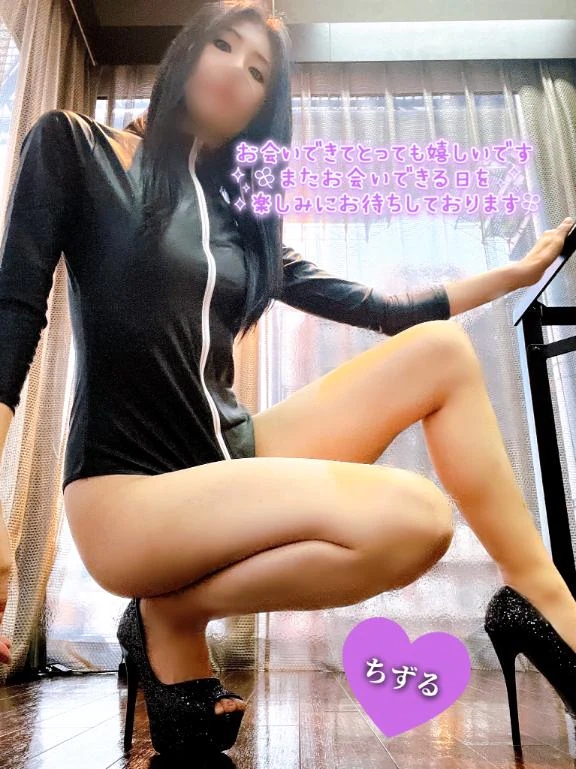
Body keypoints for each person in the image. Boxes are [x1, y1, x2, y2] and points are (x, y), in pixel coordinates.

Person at [0, 0, 575, 756]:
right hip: (126, 495)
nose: (235, 70)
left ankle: (545, 599)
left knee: (440, 351)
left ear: (263, 111)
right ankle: (171, 612)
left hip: (224, 454)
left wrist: (517, 272)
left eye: (258, 71)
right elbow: (13, 319)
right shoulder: (76, 147)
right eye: (223, 45)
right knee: (416, 519)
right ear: (185, 52)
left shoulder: (241, 227)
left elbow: (386, 310)